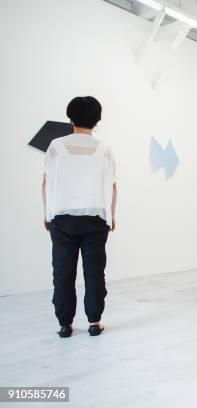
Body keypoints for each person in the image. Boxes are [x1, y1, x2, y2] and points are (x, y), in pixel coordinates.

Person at [42, 96, 117, 338]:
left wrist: (46, 214)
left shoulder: (55, 146)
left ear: (70, 117)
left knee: (63, 272)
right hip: (95, 218)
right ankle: (94, 322)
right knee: (95, 272)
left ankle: (65, 325)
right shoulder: (105, 149)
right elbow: (112, 185)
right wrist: (111, 215)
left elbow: (46, 182)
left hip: (62, 218)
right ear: (98, 120)